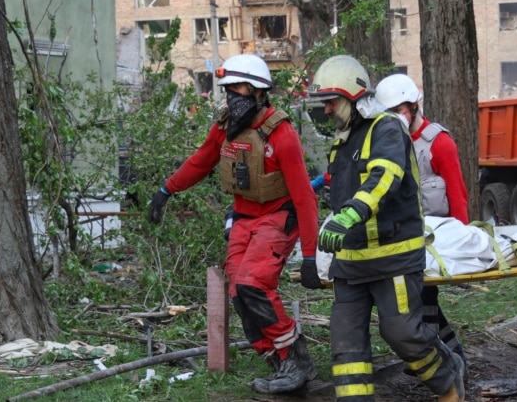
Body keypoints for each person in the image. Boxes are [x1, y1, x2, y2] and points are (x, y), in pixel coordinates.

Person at [147, 54, 320, 394]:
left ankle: (295, 358)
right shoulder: (225, 128)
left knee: (254, 284)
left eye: (238, 88)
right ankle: (278, 361)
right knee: (238, 292)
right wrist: (166, 190)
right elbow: (200, 162)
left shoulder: (281, 134)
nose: (231, 95)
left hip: (277, 217)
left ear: (258, 91)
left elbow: (304, 198)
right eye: (227, 88)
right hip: (244, 216)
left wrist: (311, 255)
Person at [308, 55, 465, 402]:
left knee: (401, 334)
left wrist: (350, 214)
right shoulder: (343, 139)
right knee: (345, 346)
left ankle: (448, 382)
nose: (328, 110)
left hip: (393, 258)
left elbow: (386, 176)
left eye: (332, 101)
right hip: (350, 263)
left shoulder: (387, 128)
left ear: (352, 95)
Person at [372, 73, 471, 373]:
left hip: (436, 236)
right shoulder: (384, 142)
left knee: (423, 299)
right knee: (414, 301)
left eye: (400, 110)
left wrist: (462, 240)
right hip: (401, 238)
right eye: (389, 112)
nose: (395, 117)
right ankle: (446, 356)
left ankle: (443, 361)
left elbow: (457, 193)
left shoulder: (438, 143)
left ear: (414, 106)